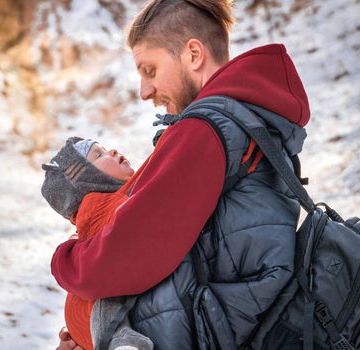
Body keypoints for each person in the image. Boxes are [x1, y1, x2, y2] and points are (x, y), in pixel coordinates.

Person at [51, 0, 311, 349]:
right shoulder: (247, 118)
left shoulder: (206, 130)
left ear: (192, 54)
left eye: (150, 70)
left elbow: (123, 257)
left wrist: (64, 260)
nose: (145, 92)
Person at [42, 137, 154, 350]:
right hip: (89, 314)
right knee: (108, 296)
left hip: (83, 325)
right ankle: (125, 343)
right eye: (98, 155)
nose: (112, 151)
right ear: (85, 179)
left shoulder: (116, 198)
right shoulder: (95, 205)